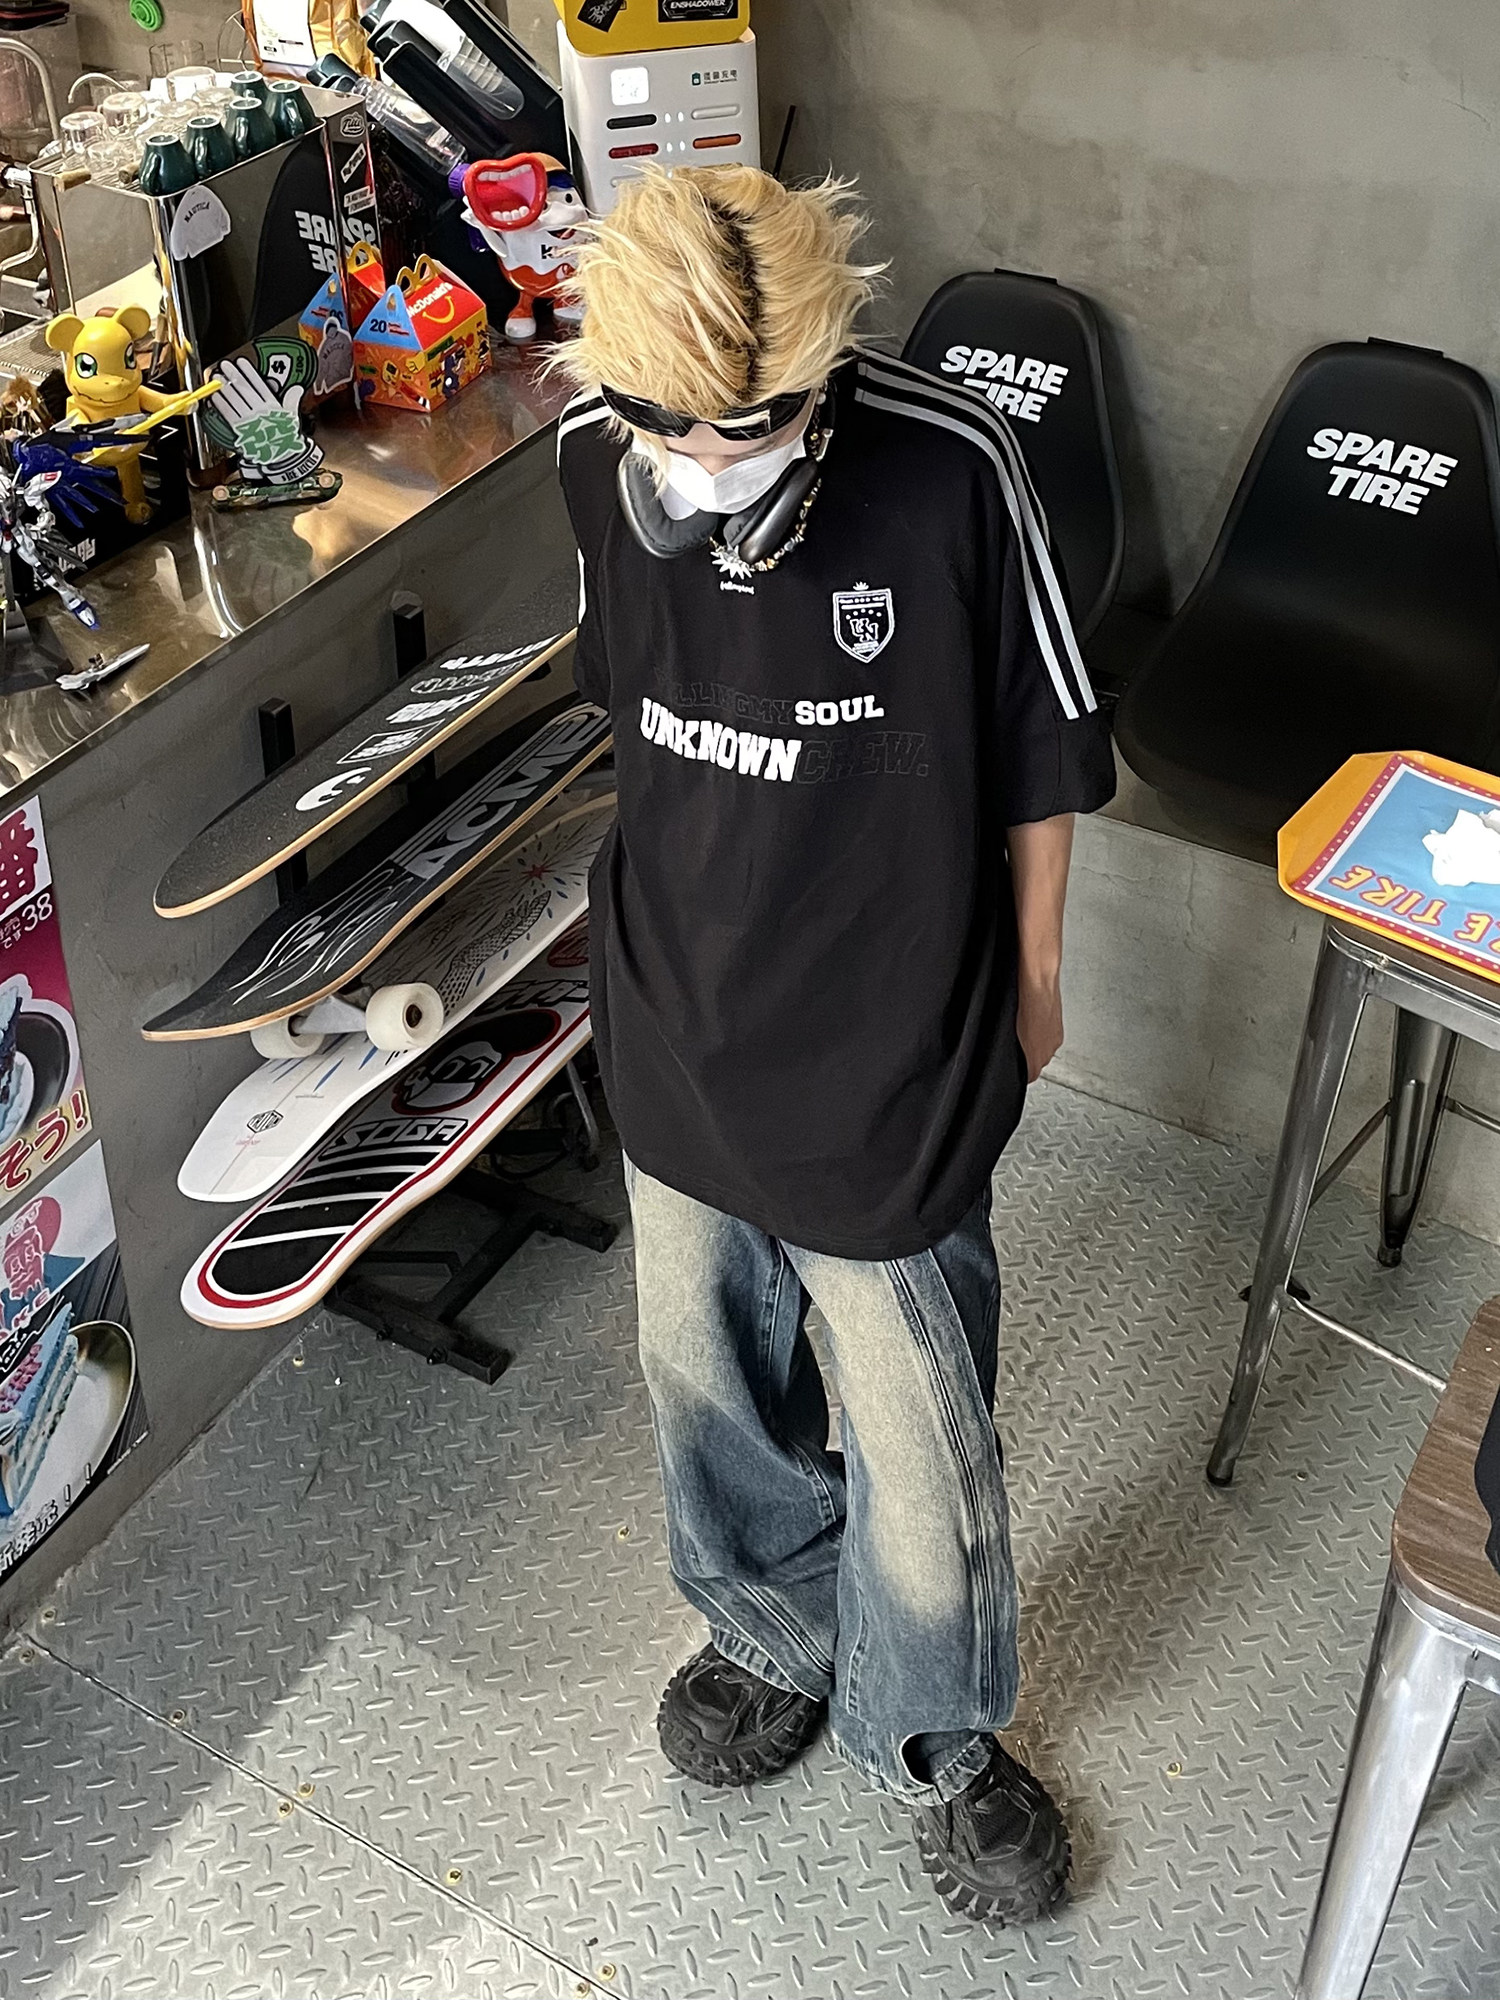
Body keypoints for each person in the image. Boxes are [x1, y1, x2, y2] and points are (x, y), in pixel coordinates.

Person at [552, 165, 1115, 1926]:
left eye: (754, 427)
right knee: (701, 1368)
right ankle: (769, 1632)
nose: (705, 465)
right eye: (668, 427)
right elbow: (633, 703)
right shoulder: (591, 455)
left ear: (822, 362)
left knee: (918, 1430)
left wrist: (1034, 978)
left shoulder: (952, 468)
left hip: (889, 1036)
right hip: (680, 1011)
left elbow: (1041, 745)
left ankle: (935, 1732)